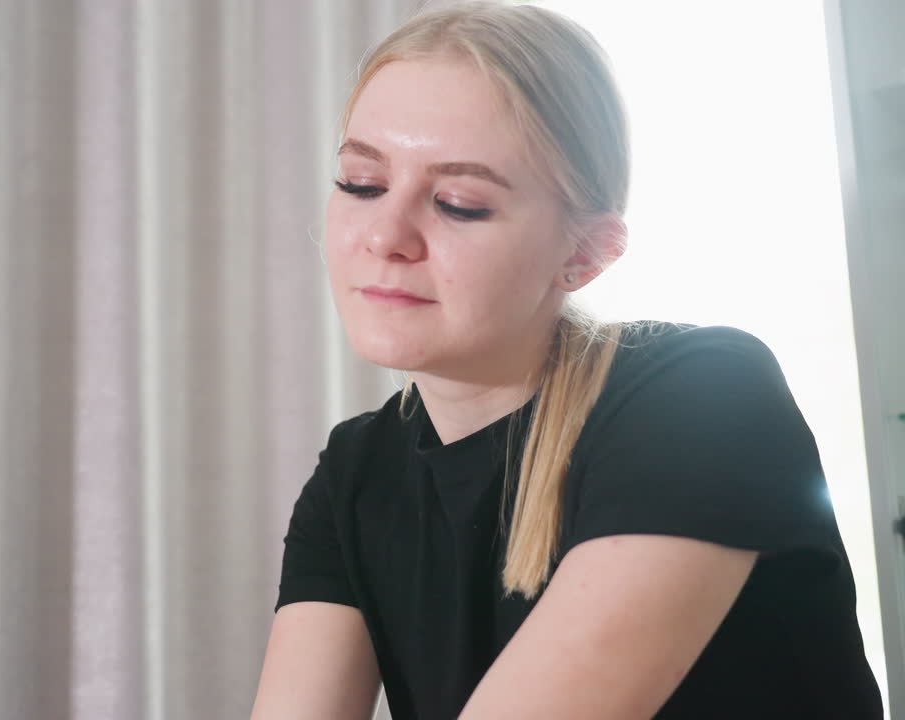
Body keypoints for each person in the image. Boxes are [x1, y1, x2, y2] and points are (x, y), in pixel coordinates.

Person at [248, 2, 884, 719]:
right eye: (361, 183)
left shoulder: (704, 400)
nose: (385, 235)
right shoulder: (356, 474)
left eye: (458, 203)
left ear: (583, 253)